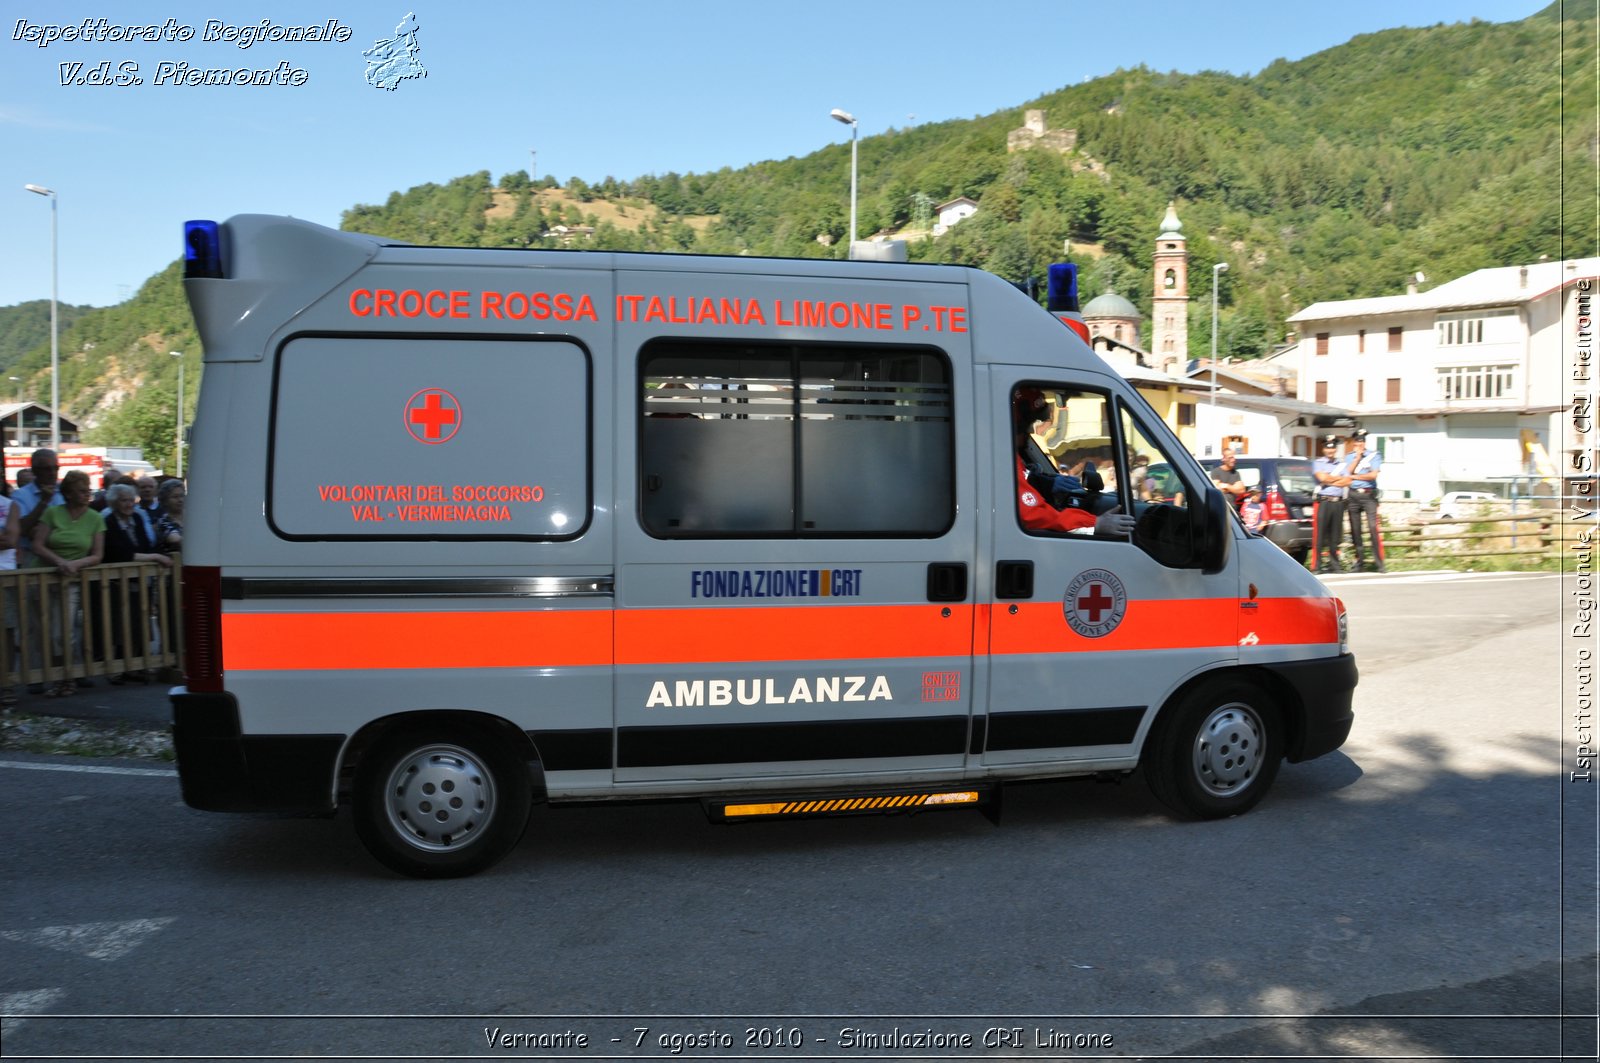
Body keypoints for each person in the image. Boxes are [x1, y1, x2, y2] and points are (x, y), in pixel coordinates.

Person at [29, 470, 103, 697]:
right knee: (40, 630)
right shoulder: (53, 513)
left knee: (63, 632)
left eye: (88, 490)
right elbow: (38, 545)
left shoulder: (95, 518)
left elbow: (97, 554)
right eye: (81, 491)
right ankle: (45, 676)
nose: (86, 495)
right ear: (69, 493)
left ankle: (67, 677)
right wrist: (59, 561)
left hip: (70, 578)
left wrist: (76, 564)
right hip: (42, 575)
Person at [102, 482, 173, 682]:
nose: (128, 504)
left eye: (131, 500)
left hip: (140, 581)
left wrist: (155, 555)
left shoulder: (137, 518)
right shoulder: (109, 521)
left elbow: (147, 545)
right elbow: (120, 553)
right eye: (123, 500)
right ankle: (116, 669)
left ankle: (136, 666)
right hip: (116, 582)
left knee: (138, 623)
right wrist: (155, 558)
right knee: (118, 625)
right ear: (114, 502)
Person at [1342, 428, 1385, 572]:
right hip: (1353, 495)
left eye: (1361, 441)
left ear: (1364, 442)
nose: (1359, 444)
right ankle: (1359, 563)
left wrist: (1356, 476)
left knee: (1373, 528)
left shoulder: (1374, 455)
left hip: (1368, 495)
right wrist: (1357, 458)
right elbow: (1348, 472)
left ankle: (1379, 564)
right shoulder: (1350, 456)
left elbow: (1373, 475)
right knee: (1355, 530)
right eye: (1357, 441)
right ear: (1354, 443)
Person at [1311, 434, 1352, 574]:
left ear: (1335, 449)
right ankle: (1317, 566)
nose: (1330, 451)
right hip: (1325, 501)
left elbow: (1348, 481)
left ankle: (1334, 564)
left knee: (1335, 535)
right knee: (1320, 535)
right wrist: (1338, 479)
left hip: (1338, 502)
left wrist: (1331, 479)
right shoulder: (1319, 462)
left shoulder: (1341, 464)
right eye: (1328, 449)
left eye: (1332, 448)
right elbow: (1322, 478)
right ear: (1324, 450)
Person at [155, 479, 186, 553]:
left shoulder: (194, 518)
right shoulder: (164, 522)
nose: (180, 500)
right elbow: (176, 540)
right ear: (165, 501)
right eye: (175, 497)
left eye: (182, 496)